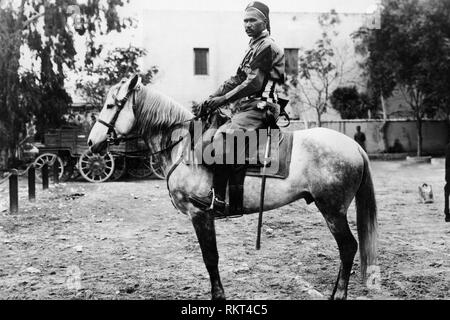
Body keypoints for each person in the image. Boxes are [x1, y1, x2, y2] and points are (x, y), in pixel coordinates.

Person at [189, 1, 285, 218]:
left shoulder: (267, 46)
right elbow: (237, 79)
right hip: (244, 108)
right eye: (245, 20)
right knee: (207, 135)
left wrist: (223, 99)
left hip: (261, 107)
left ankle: (221, 201)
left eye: (253, 20)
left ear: (265, 21)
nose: (248, 24)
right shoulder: (252, 47)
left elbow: (253, 83)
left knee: (224, 137)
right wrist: (212, 98)